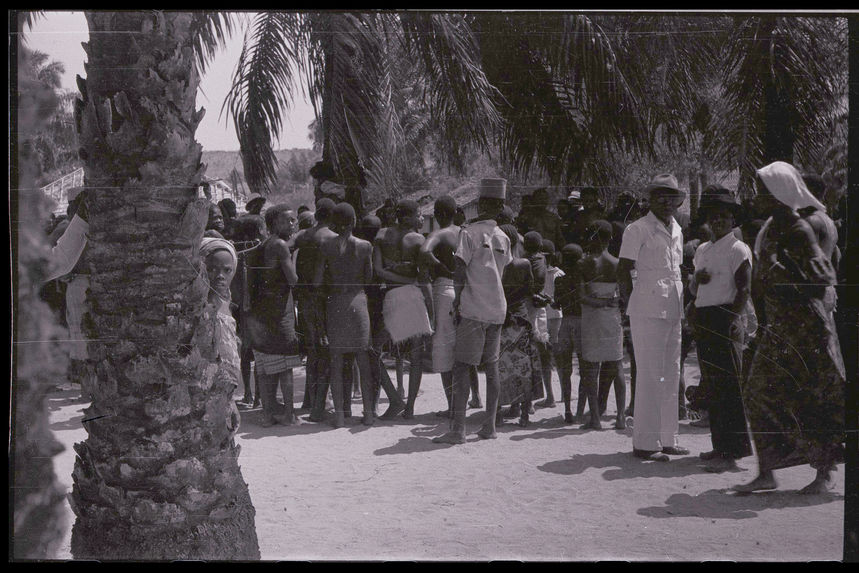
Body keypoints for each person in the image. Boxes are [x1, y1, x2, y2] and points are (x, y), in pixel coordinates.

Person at [734, 162, 845, 495]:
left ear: (779, 196)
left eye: (762, 193)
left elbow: (823, 278)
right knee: (758, 392)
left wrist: (784, 275)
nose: (756, 199)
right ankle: (767, 470)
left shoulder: (800, 230)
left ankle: (825, 473)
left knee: (811, 398)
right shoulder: (772, 227)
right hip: (780, 326)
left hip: (807, 329)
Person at [433, 178, 512, 444]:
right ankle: (489, 425)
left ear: (480, 203)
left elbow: (459, 270)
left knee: (461, 367)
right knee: (491, 368)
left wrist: (456, 302)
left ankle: (458, 430)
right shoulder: (503, 237)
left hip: (474, 308)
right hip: (496, 308)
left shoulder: (469, 233)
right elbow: (504, 272)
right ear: (500, 206)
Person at [618, 174, 688, 462]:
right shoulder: (637, 229)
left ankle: (668, 437)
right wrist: (628, 305)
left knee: (671, 372)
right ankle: (645, 443)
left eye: (671, 197)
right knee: (648, 374)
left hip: (673, 305)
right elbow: (623, 270)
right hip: (646, 307)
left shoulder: (677, 229)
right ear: (650, 199)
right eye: (661, 195)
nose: (666, 202)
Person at [686, 188, 753, 472]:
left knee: (729, 387)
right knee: (713, 385)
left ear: (732, 220)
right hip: (704, 317)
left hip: (725, 317)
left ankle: (732, 453)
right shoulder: (702, 249)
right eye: (714, 218)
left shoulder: (738, 248)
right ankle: (718, 446)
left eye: (724, 217)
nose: (719, 222)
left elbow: (745, 288)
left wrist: (732, 319)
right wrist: (696, 283)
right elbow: (694, 287)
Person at [314, 203, 375, 427]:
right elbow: (368, 279)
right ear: (354, 222)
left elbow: (318, 280)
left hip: (336, 302)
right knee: (363, 358)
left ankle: (339, 415)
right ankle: (368, 413)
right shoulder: (365, 246)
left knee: (337, 360)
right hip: (358, 301)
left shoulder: (325, 246)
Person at [374, 199, 433, 419]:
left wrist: (394, 275)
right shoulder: (419, 240)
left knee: (373, 351)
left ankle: (395, 399)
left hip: (392, 296)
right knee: (416, 356)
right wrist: (432, 311)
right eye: (419, 214)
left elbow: (378, 271)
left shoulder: (381, 236)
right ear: (407, 217)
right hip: (413, 295)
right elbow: (424, 278)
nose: (421, 218)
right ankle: (409, 409)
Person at [245, 204, 301, 427]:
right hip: (279, 314)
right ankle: (288, 414)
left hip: (262, 315)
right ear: (274, 223)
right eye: (287, 220)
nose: (293, 224)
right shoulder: (279, 245)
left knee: (266, 367)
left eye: (293, 220)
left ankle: (268, 414)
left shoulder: (261, 246)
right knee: (285, 366)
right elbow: (293, 279)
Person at [44, 187, 93, 395]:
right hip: (74, 281)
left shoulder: (66, 225)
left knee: (78, 332)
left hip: (78, 282)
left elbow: (58, 260)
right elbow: (59, 260)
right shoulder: (66, 225)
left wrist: (82, 217)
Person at [420, 195, 466, 417]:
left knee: (445, 350)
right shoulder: (463, 233)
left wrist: (440, 266)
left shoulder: (439, 233)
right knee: (464, 349)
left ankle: (452, 406)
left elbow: (425, 250)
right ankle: (473, 397)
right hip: (465, 290)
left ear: (438, 215)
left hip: (445, 289)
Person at [579, 220, 626, 430]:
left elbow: (581, 297)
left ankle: (595, 418)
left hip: (591, 318)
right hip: (612, 316)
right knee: (617, 366)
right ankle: (621, 418)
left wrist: (599, 302)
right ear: (610, 239)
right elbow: (624, 295)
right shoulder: (617, 264)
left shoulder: (584, 264)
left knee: (590, 368)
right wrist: (610, 302)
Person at [293, 198, 338, 418]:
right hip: (324, 298)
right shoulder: (331, 238)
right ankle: (323, 402)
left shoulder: (302, 236)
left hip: (304, 299)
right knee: (326, 349)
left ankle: (309, 400)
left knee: (312, 349)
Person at [496, 224, 543, 428]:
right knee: (523, 366)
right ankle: (524, 414)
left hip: (500, 319)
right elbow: (529, 290)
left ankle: (496, 413)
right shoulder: (523, 264)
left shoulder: (494, 265)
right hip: (520, 318)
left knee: (500, 367)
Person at [200, 237, 243, 443]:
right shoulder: (201, 307)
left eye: (227, 270)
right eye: (212, 269)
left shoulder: (223, 301)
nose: (220, 276)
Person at [552, 243, 585, 424]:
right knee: (584, 366)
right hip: (581, 322)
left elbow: (557, 304)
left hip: (565, 323)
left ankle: (567, 410)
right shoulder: (583, 279)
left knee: (565, 369)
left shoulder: (560, 280)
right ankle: (580, 410)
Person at [522, 231, 555, 408]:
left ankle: (526, 403)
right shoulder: (541, 259)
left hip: (527, 306)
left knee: (527, 354)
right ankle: (549, 395)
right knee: (543, 351)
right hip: (539, 305)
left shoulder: (523, 261)